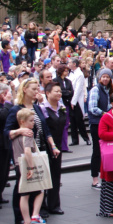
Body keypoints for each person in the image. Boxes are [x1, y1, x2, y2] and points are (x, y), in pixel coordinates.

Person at [4, 78, 60, 224]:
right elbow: (6, 131)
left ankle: (35, 214)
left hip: (39, 148)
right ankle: (21, 217)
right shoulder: (16, 109)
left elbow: (45, 129)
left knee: (39, 182)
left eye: (37, 89)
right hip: (24, 151)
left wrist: (53, 146)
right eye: (34, 89)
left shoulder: (36, 108)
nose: (37, 92)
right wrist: (19, 130)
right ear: (24, 90)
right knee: (23, 185)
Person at [12, 109, 45, 224]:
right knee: (40, 190)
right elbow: (27, 151)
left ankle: (26, 221)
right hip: (26, 166)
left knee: (24, 194)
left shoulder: (16, 135)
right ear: (22, 121)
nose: (33, 123)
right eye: (31, 121)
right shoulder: (28, 134)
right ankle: (35, 215)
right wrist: (31, 167)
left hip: (18, 165)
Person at [40, 82, 68, 215]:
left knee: (56, 174)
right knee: (44, 175)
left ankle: (54, 204)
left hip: (57, 144)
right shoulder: (42, 108)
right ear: (47, 93)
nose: (59, 93)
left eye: (60, 91)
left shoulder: (61, 107)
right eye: (56, 91)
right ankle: (42, 205)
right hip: (45, 145)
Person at [88, 68, 113, 190]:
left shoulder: (108, 90)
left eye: (107, 77)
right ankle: (95, 179)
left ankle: (104, 176)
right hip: (97, 123)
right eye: (103, 76)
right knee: (97, 151)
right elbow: (93, 108)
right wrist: (106, 114)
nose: (105, 79)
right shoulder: (95, 89)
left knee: (105, 150)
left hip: (105, 123)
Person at [67, 58, 91, 146]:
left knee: (79, 121)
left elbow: (78, 89)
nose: (68, 64)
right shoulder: (70, 73)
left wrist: (73, 101)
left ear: (74, 64)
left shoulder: (79, 74)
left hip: (76, 100)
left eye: (69, 62)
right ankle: (74, 139)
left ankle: (86, 138)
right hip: (71, 99)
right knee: (72, 121)